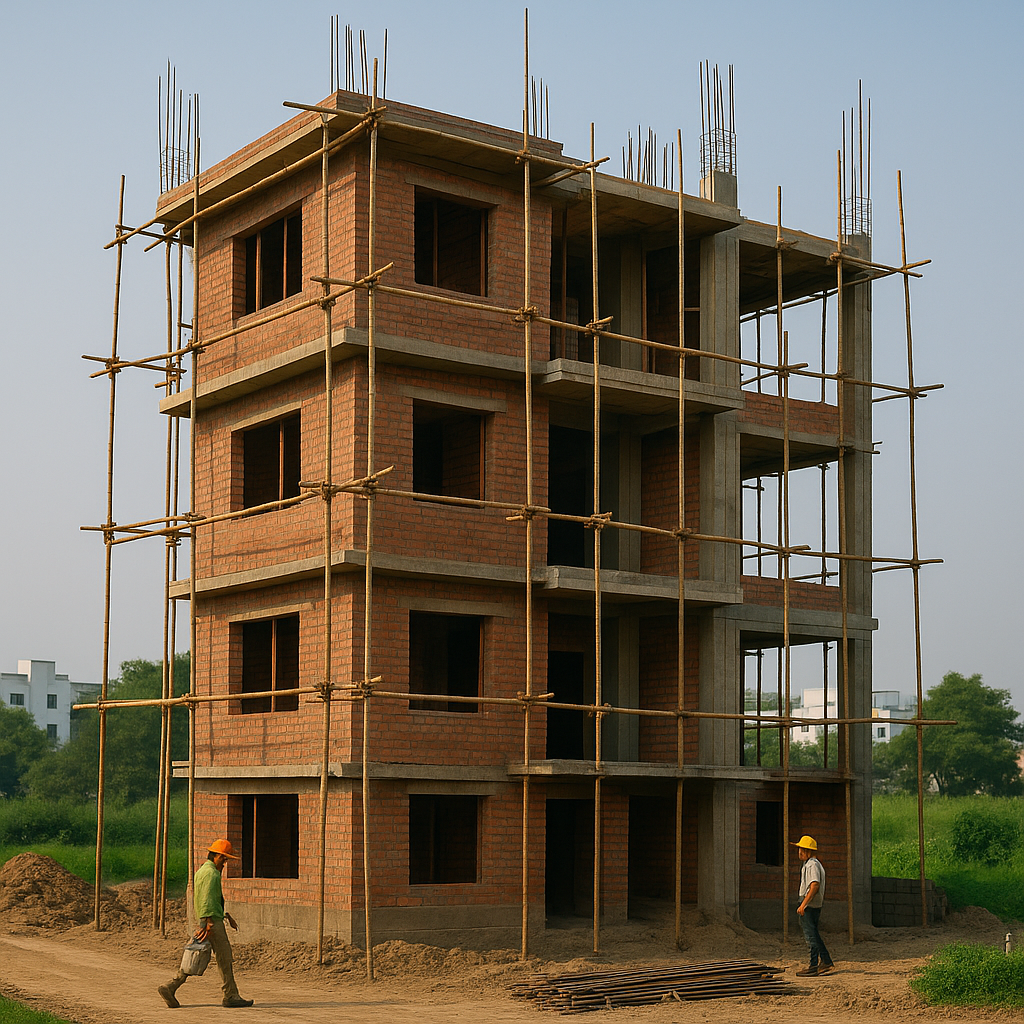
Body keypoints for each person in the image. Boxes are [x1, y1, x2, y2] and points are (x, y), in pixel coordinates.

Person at [158, 839, 254, 1008]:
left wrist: (223, 916)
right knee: (224, 958)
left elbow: (205, 898)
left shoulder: (203, 871)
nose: (225, 863)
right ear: (216, 856)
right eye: (224, 858)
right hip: (212, 922)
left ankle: (171, 986)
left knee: (195, 954)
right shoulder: (212, 874)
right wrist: (209, 922)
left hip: (208, 919)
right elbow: (207, 899)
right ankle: (231, 995)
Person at [793, 834, 835, 977]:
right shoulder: (810, 864)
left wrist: (803, 904)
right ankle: (826, 961)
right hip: (811, 905)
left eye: (802, 849)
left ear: (809, 851)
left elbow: (814, 885)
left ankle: (813, 965)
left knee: (810, 936)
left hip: (809, 905)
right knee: (814, 934)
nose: (799, 852)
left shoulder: (812, 865)